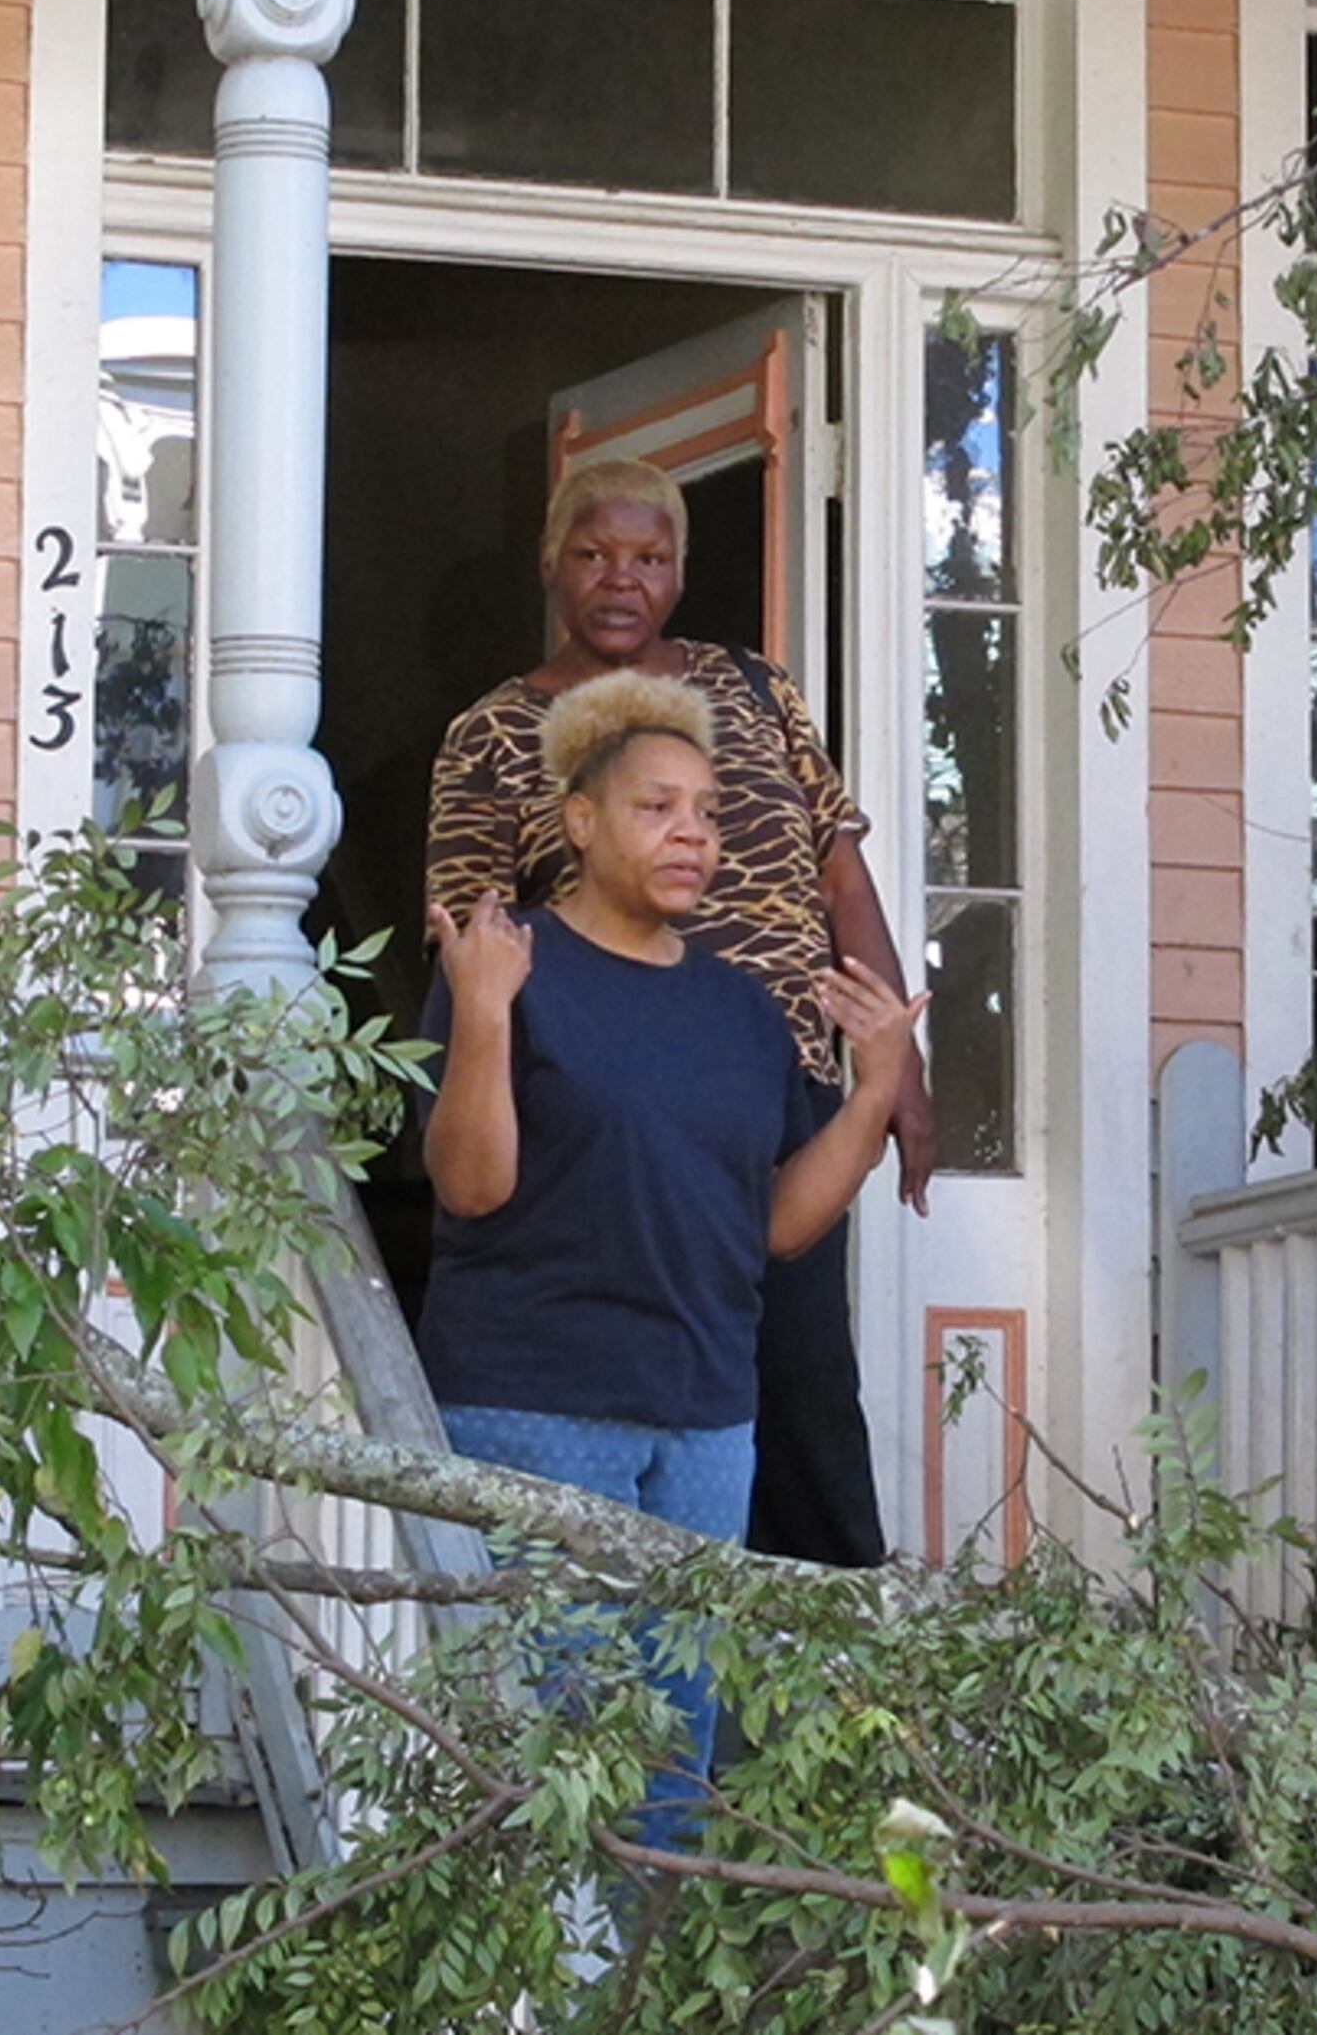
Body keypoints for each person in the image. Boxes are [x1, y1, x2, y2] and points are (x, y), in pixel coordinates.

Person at [418, 669, 922, 1845]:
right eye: (657, 807)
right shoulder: (509, 964)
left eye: (706, 810)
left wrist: (879, 1086)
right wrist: (483, 1016)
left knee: (670, 1766)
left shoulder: (744, 1010)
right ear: (581, 821)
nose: (692, 831)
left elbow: (778, 1226)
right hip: (536, 1407)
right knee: (554, 1748)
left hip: (702, 1422)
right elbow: (471, 1183)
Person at [425, 454, 927, 1571]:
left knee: (799, 1385)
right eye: (597, 553)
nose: (622, 579)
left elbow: (841, 872)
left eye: (650, 557)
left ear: (682, 570)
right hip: (595, 1084)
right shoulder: (495, 731)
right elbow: (468, 928)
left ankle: (823, 1688)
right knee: (629, 1384)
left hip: (769, 1077)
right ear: (553, 560)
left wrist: (899, 1069)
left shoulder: (752, 691)